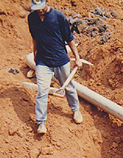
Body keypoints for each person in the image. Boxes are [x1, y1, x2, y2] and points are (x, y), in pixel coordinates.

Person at [28, 0, 83, 135]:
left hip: (61, 60)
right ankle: (41, 122)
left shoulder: (58, 16)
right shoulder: (31, 18)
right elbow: (34, 38)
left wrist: (77, 57)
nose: (39, 10)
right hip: (43, 61)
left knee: (68, 86)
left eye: (41, 7)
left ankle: (75, 110)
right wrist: (35, 54)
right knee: (42, 91)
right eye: (36, 8)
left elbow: (69, 39)